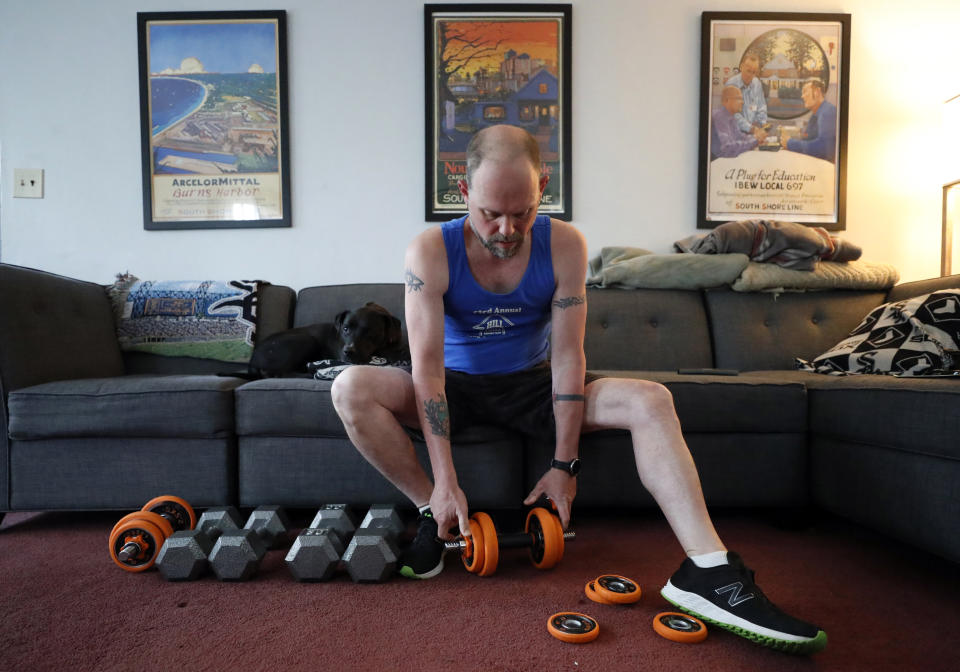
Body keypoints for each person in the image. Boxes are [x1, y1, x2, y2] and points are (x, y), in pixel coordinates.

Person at [331, 124, 827, 654]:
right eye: (490, 214)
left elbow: (568, 356)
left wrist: (564, 467)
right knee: (350, 386)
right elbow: (426, 369)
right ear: (464, 189)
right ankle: (431, 510)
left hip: (532, 385)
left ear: (542, 186)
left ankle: (709, 571)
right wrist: (444, 482)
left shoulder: (564, 244)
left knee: (651, 399)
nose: (505, 229)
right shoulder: (430, 250)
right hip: (456, 386)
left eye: (521, 213)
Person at [782, 80, 837, 162]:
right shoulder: (816, 114)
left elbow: (824, 148)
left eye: (805, 92)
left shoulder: (828, 112)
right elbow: (807, 139)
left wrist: (790, 143)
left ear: (817, 92)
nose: (802, 96)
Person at [725, 52, 768, 142]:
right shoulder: (731, 85)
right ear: (741, 67)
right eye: (748, 71)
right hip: (736, 134)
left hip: (753, 132)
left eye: (754, 72)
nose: (751, 75)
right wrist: (752, 129)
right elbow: (734, 115)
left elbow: (761, 106)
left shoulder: (757, 83)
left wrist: (763, 125)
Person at [711, 86, 765, 158]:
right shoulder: (720, 117)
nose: (742, 102)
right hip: (718, 162)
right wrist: (755, 140)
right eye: (739, 98)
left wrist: (756, 137)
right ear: (727, 100)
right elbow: (728, 149)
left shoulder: (730, 116)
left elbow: (740, 137)